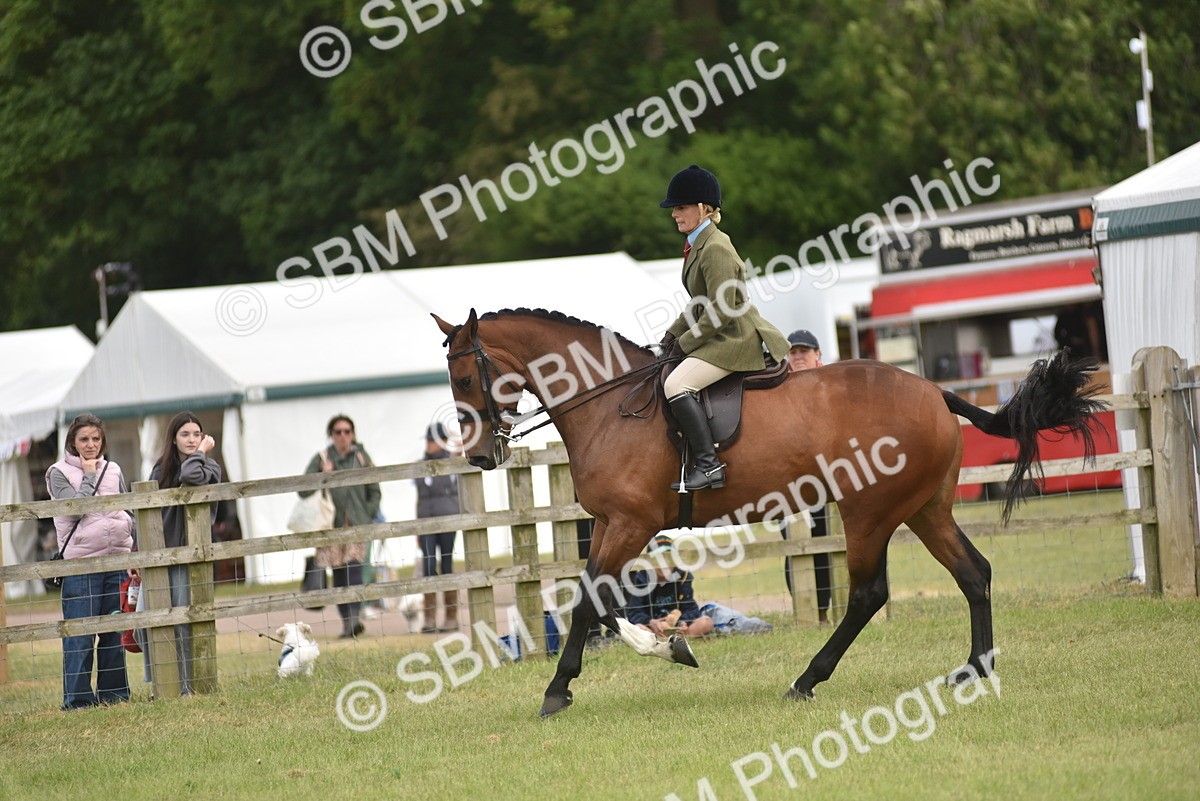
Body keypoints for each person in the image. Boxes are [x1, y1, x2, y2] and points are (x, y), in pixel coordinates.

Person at [658, 165, 790, 491]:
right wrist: (672, 334)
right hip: (720, 331)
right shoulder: (699, 243)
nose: (675, 214)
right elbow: (700, 302)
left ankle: (708, 465)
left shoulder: (715, 247)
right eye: (675, 208)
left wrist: (685, 344)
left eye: (681, 207)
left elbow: (722, 310)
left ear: (704, 208)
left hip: (735, 337)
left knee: (676, 384)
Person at [46, 414, 135, 710]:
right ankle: (78, 700)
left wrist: (132, 544)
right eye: (84, 439)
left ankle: (114, 695)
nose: (91, 445)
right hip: (81, 565)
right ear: (72, 441)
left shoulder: (114, 468)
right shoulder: (57, 473)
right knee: (80, 636)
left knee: (112, 632)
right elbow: (74, 510)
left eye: (96, 439)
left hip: (116, 561)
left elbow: (125, 507)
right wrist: (88, 474)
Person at [145, 411, 223, 694]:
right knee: (145, 621)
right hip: (157, 555)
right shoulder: (159, 470)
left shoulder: (209, 468)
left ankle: (187, 686)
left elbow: (191, 475)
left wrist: (201, 453)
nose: (192, 440)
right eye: (185, 434)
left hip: (189, 554)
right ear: (173, 439)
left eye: (197, 434)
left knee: (183, 622)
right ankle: (161, 681)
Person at [300, 415, 380, 639]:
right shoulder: (322, 458)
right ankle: (347, 622)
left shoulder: (362, 458)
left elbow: (375, 490)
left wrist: (367, 514)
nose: (343, 436)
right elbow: (302, 490)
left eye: (347, 431)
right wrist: (322, 476)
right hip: (330, 526)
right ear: (331, 435)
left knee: (354, 570)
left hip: (356, 525)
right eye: (338, 431)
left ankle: (354, 618)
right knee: (338, 574)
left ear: (353, 434)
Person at [627, 535, 772, 636]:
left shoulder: (683, 576)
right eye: (659, 559)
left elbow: (691, 609)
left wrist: (683, 622)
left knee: (706, 622)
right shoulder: (641, 578)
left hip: (677, 627)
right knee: (638, 630)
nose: (665, 564)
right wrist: (650, 622)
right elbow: (633, 613)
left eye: (669, 558)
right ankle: (660, 641)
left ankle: (682, 639)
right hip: (652, 629)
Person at [782, 329, 831, 624]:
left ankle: (825, 610)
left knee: (828, 540)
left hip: (828, 477)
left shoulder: (830, 383)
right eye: (793, 351)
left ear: (817, 354)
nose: (798, 356)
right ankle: (807, 612)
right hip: (788, 481)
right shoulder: (779, 385)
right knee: (793, 545)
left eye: (804, 351)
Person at [414, 423, 460, 633]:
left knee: (447, 565)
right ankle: (429, 617)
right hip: (426, 520)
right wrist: (417, 526)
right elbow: (419, 498)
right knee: (429, 566)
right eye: (429, 440)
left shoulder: (452, 461)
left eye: (433, 440)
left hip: (448, 519)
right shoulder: (420, 466)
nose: (429, 444)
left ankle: (451, 616)